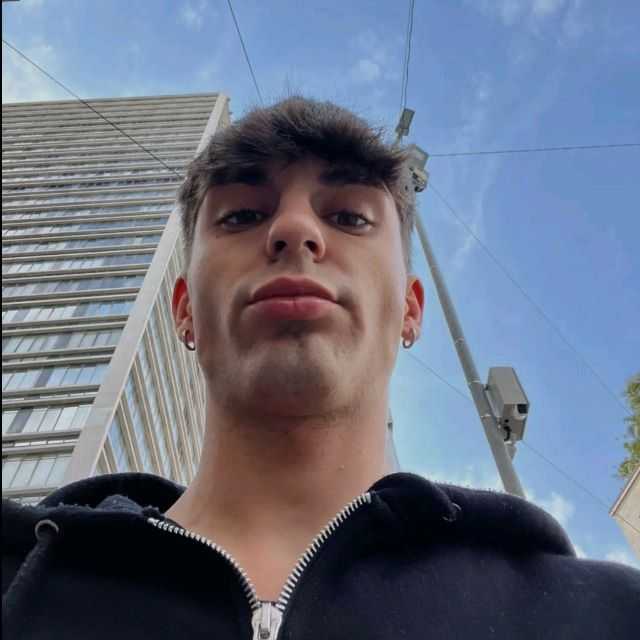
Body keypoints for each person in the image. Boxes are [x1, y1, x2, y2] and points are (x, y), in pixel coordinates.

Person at [2, 97, 638, 640]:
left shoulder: (607, 614)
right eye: (242, 215)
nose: (294, 229)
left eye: (350, 217)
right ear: (184, 309)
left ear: (410, 309)